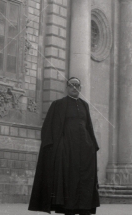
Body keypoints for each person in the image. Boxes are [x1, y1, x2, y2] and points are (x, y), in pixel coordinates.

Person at [29, 77, 100, 215]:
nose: (75, 87)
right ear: (66, 87)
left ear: (80, 88)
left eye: (77, 85)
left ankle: (84, 208)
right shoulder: (58, 104)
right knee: (69, 181)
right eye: (72, 85)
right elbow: (48, 128)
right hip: (67, 151)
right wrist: (59, 147)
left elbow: (89, 127)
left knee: (84, 181)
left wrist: (92, 147)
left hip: (85, 152)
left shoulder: (85, 105)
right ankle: (69, 210)